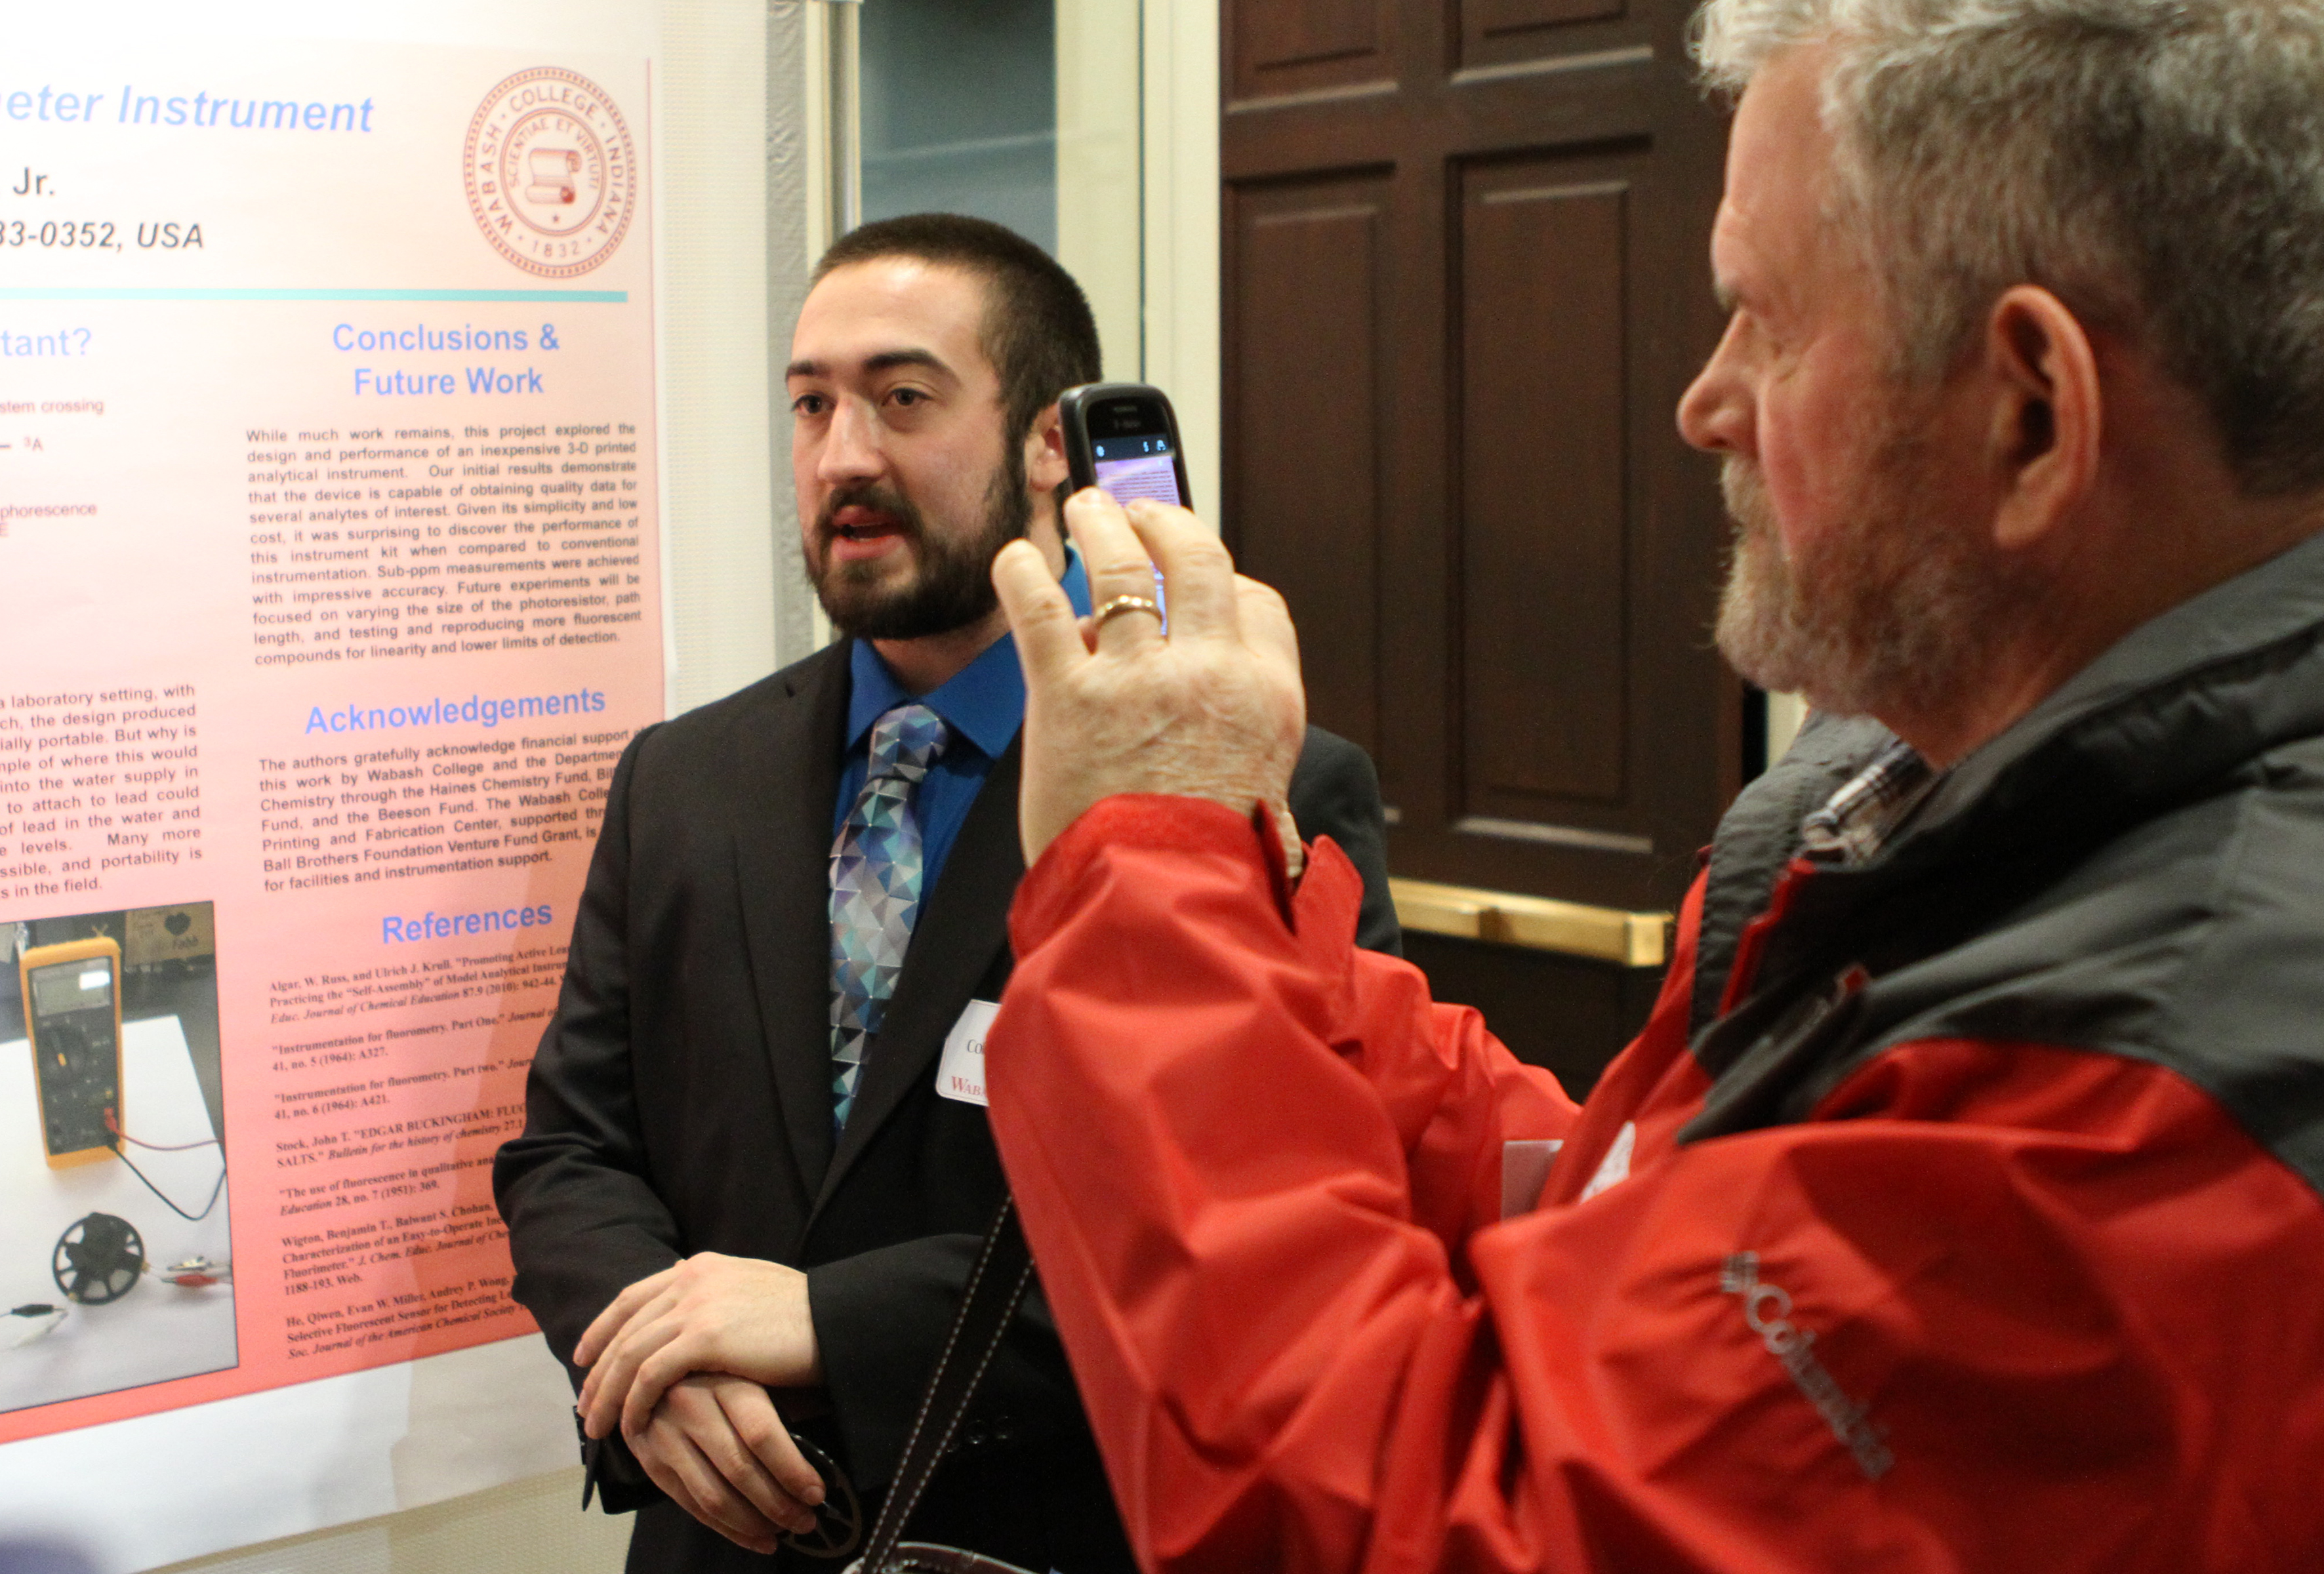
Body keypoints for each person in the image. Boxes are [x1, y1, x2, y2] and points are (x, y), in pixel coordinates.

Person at [956, 1, 2324, 1568]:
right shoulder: (1936, 791)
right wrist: (1244, 885)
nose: (1706, 399)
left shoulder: (2159, 1090)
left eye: (1767, 317)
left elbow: (1420, 1519)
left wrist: (1144, 874)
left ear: (2031, 414)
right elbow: (1611, 1208)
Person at [491, 212, 1399, 1573]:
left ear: (1051, 443)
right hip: (718, 1535)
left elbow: (1267, 1232)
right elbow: (570, 1147)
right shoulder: (686, 774)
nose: (843, 455)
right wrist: (657, 1361)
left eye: (903, 399)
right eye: (812, 406)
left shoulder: (1242, 781)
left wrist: (826, 1324)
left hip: (1037, 1525)